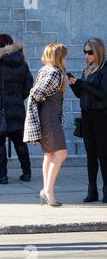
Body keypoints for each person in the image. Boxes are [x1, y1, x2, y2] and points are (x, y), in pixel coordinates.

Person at [0, 34, 34, 184]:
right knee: (20, 142)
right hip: (17, 108)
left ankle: (2, 175)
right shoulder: (22, 63)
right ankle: (27, 172)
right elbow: (29, 86)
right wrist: (17, 97)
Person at [24, 43, 69, 207]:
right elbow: (36, 93)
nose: (65, 57)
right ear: (58, 56)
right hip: (49, 117)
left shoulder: (46, 70)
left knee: (50, 155)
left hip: (48, 116)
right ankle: (48, 191)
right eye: (63, 55)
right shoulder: (54, 72)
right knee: (61, 153)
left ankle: (46, 191)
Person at [69, 37, 107, 203]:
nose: (87, 55)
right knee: (91, 155)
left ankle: (106, 190)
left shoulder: (105, 69)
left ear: (98, 52)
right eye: (85, 52)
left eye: (90, 52)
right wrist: (73, 84)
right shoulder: (88, 70)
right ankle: (92, 191)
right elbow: (81, 94)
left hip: (101, 116)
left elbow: (103, 95)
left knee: (103, 155)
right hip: (87, 116)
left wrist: (81, 84)